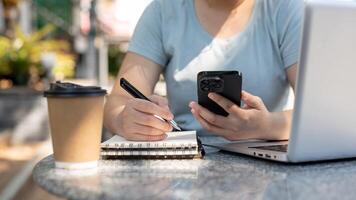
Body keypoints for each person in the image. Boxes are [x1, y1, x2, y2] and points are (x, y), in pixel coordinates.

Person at [104, 0, 303, 141]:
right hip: (183, 159)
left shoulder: (286, 9)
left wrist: (266, 126)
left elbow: (319, 112)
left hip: (265, 156)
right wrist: (125, 119)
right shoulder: (163, 11)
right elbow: (117, 102)